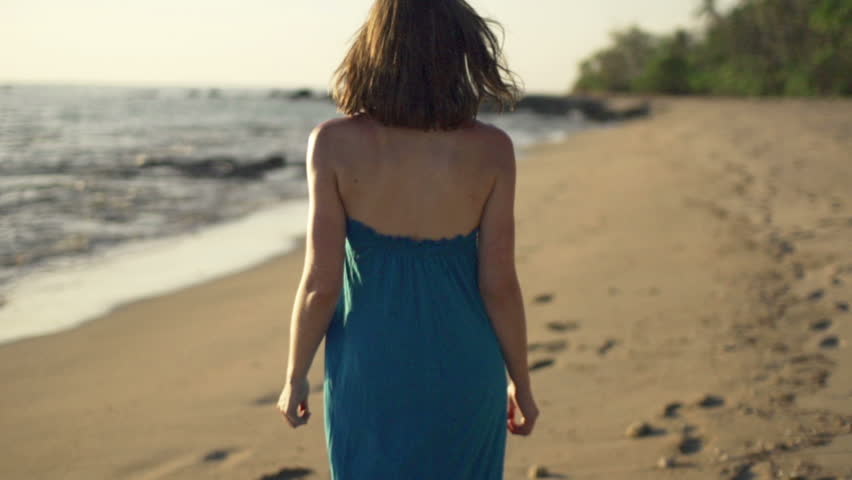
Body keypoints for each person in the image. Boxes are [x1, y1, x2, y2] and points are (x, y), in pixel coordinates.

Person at [276, 0, 538, 477]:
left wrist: (296, 376)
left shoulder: (332, 144)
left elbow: (321, 285)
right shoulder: (493, 150)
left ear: (375, 46)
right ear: (459, 48)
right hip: (466, 368)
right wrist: (521, 381)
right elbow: (499, 284)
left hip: (369, 372)